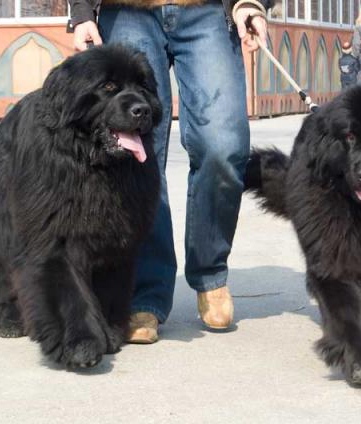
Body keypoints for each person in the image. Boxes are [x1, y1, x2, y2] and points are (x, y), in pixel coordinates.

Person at [68, 0, 272, 343]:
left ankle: (210, 272)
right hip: (128, 11)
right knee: (135, 152)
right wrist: (82, 12)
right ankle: (144, 289)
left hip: (208, 11)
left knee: (224, 144)